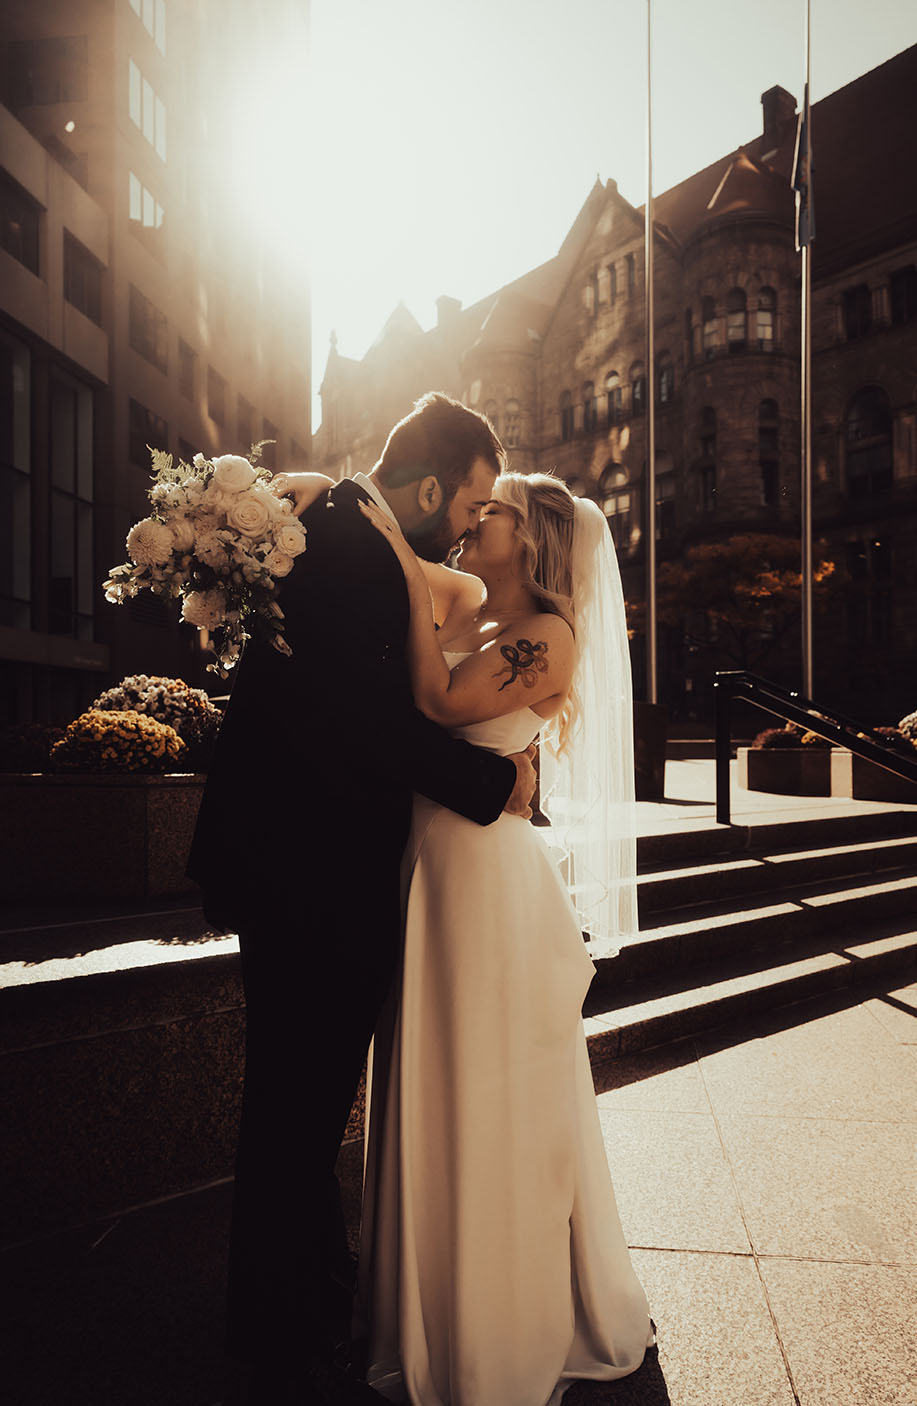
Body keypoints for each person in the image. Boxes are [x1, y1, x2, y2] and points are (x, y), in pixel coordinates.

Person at [186, 393, 537, 1406]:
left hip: (307, 862)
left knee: (301, 1098)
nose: (469, 529)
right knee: (293, 1106)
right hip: (305, 870)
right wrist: (490, 785)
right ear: (429, 488)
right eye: (467, 506)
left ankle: (309, 1287)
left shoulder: (353, 529)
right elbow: (363, 723)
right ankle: (277, 1335)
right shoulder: (347, 543)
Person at [355, 471, 654, 1405]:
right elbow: (403, 596)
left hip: (485, 882)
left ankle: (500, 1320)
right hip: (433, 865)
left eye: (498, 509)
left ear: (533, 542)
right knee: (434, 1073)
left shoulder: (546, 636)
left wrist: (410, 585)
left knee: (487, 1088)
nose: (477, 514)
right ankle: (431, 1295)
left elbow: (441, 705)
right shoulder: (469, 601)